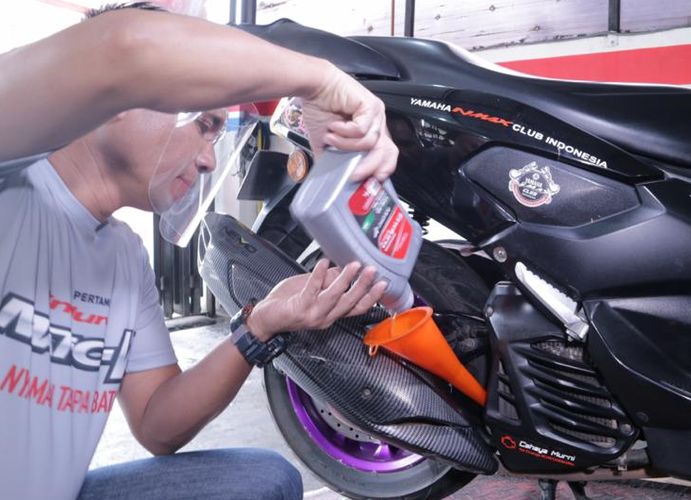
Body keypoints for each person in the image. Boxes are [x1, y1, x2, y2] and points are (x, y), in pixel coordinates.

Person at [0, 3, 398, 499]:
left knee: (263, 480)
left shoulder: (124, 256)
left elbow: (156, 423)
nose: (210, 159)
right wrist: (321, 82)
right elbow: (122, 47)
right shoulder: (10, 171)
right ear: (124, 98)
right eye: (205, 125)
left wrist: (260, 325)